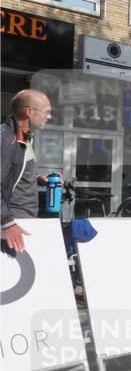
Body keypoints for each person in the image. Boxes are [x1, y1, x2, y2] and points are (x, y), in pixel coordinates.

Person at [1, 89, 57, 253]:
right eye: (46, 112)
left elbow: (12, 174)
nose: (49, 117)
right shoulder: (6, 139)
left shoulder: (23, 137)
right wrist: (8, 223)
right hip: (12, 226)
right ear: (29, 111)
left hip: (22, 222)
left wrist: (37, 178)